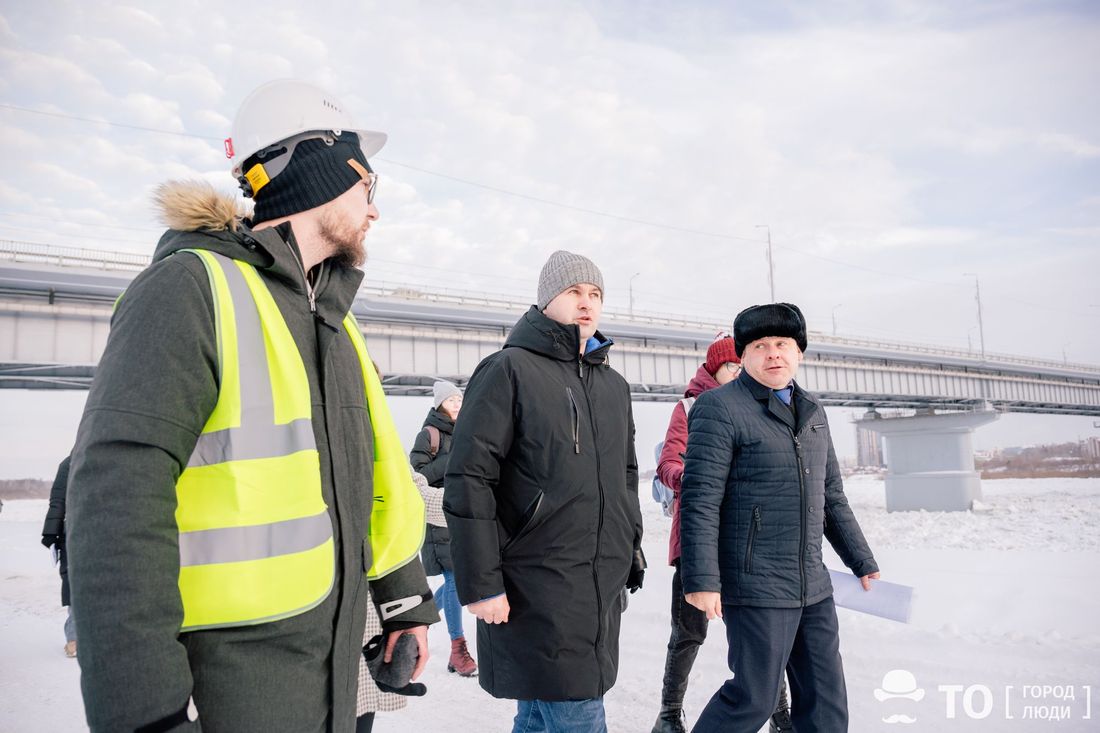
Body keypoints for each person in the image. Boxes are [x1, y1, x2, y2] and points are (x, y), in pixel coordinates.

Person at [66, 80, 438, 733]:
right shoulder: (188, 290)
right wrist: (144, 715)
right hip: (238, 689)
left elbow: (370, 476)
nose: (375, 210)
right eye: (366, 187)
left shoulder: (334, 322)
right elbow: (115, 507)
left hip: (333, 676)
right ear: (318, 172)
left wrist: (402, 597)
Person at [444, 250, 645, 733]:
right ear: (546, 300)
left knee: (541, 713)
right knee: (576, 708)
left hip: (596, 576)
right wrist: (481, 581)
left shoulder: (612, 385)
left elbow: (625, 474)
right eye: (574, 291)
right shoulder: (507, 370)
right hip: (534, 580)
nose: (586, 302)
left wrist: (630, 547)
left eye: (594, 293)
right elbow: (470, 477)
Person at [680, 303, 880, 733]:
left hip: (813, 583)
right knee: (754, 699)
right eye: (760, 345)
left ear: (799, 352)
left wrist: (861, 560)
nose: (773, 353)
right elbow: (700, 499)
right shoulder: (719, 408)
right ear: (743, 355)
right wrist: (701, 580)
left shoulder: (814, 412)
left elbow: (831, 498)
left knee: (826, 702)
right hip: (756, 585)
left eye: (783, 344)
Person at [650, 337, 795, 733]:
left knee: (760, 634)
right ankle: (668, 714)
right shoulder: (691, 407)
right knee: (689, 630)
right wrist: (695, 477)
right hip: (698, 537)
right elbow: (668, 462)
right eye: (731, 367)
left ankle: (779, 715)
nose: (737, 374)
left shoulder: (761, 405)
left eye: (740, 367)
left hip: (747, 541)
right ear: (715, 370)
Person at [409, 379, 478, 677]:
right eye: (452, 401)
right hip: (438, 515)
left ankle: (424, 617)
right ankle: (457, 649)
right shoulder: (429, 435)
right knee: (454, 581)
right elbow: (418, 473)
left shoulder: (468, 432)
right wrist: (453, 460)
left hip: (463, 514)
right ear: (439, 404)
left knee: (457, 582)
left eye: (460, 401)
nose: (458, 406)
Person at [40, 455, 76, 658]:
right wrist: (51, 532)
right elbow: (58, 500)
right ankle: (74, 640)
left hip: (104, 530)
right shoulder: (69, 464)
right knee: (74, 585)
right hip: (73, 531)